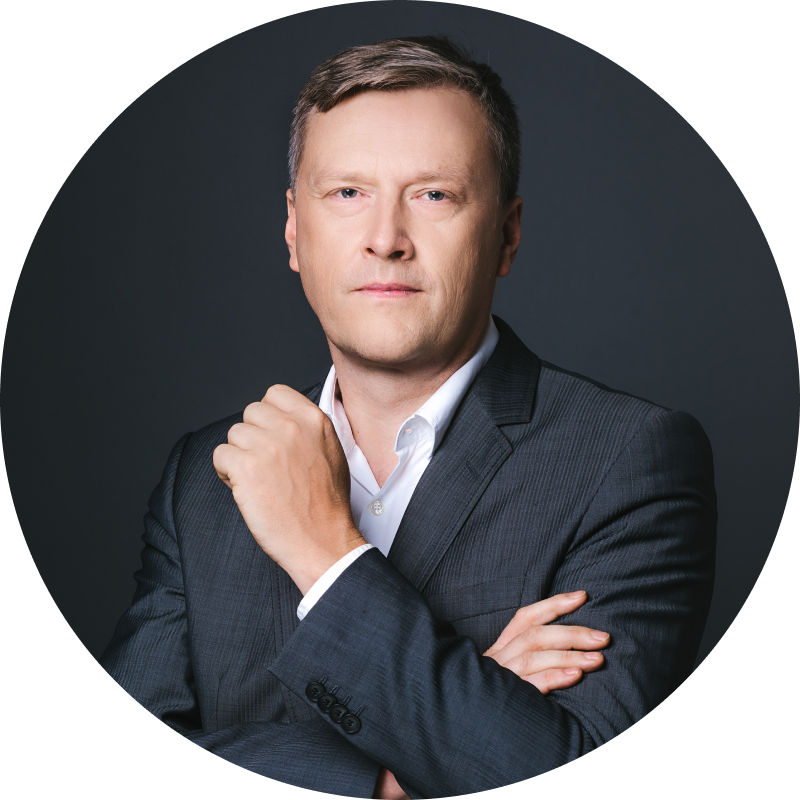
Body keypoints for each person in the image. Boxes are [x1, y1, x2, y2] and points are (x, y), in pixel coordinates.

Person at [100, 36, 716, 798]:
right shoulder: (203, 476)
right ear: (294, 230)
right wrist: (403, 768)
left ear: (507, 234)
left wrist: (325, 554)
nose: (385, 239)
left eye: (434, 195)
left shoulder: (628, 462)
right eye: (346, 193)